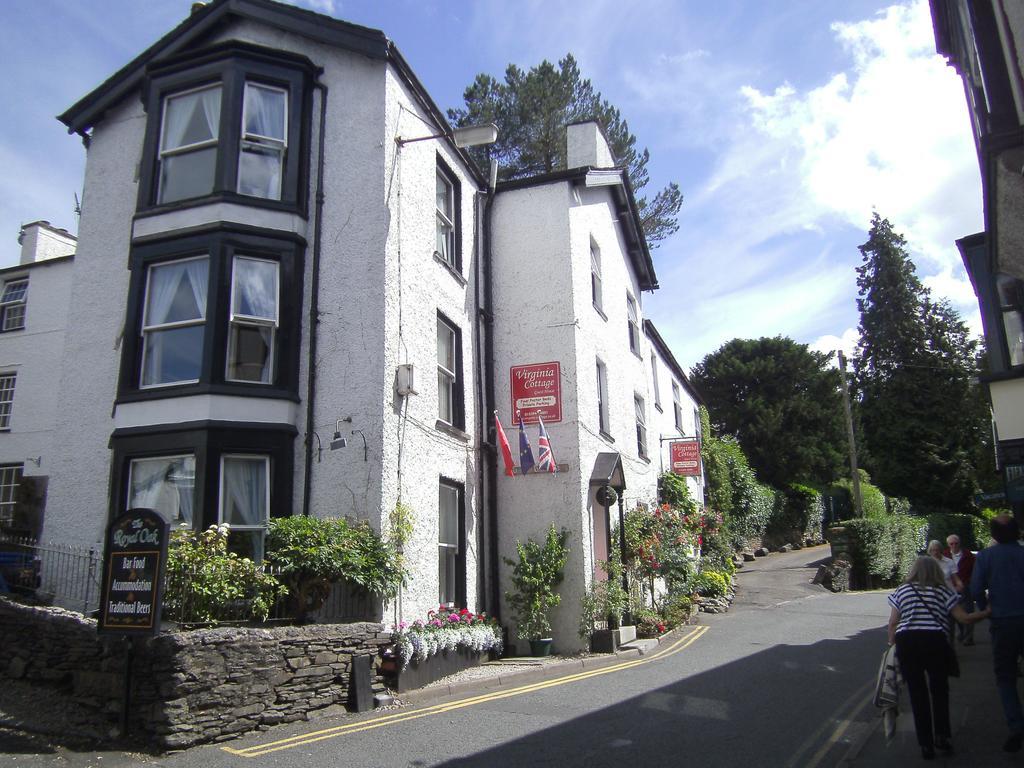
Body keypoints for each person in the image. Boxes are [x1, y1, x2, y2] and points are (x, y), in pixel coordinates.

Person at [888, 555, 989, 759]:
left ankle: (925, 745)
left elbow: (893, 622)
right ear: (935, 571)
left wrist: (892, 645)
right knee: (939, 690)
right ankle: (942, 736)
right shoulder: (943, 590)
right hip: (935, 641)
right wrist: (987, 612)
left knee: (917, 694)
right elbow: (964, 618)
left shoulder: (902, 590)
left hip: (907, 642)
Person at [971, 514, 1024, 753]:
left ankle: (1016, 725)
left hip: (1002, 621)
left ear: (993, 535)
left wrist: (985, 610)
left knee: (1005, 677)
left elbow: (975, 588)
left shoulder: (986, 556)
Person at [944, 534, 976, 645]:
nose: (954, 545)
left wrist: (970, 583)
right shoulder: (945, 555)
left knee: (968, 611)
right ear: (948, 545)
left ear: (959, 543)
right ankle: (962, 633)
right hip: (950, 589)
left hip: (966, 587)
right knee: (953, 615)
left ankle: (968, 637)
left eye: (956, 543)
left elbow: (975, 571)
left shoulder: (968, 555)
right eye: (951, 544)